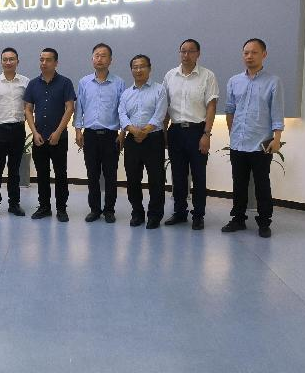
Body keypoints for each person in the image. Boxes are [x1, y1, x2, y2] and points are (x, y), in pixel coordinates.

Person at [222, 38, 285, 238]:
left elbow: (277, 112)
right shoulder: (234, 81)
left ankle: (264, 222)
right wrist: (232, 133)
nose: (249, 56)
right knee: (239, 183)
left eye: (254, 52)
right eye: (246, 52)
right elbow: (230, 110)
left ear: (264, 55)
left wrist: (277, 138)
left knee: (261, 184)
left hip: (260, 144)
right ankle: (238, 219)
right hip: (238, 143)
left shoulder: (273, 81)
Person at [162, 38, 218, 230]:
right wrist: (164, 132)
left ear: (198, 54)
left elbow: (211, 106)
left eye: (190, 51)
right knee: (178, 175)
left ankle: (198, 215)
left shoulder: (207, 76)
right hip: (176, 131)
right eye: (183, 51)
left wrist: (207, 134)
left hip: (197, 131)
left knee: (198, 175)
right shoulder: (170, 76)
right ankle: (179, 212)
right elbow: (165, 107)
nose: (186, 55)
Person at [74, 42, 126, 223]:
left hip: (111, 135)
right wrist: (78, 130)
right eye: (96, 55)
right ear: (92, 59)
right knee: (92, 175)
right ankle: (95, 209)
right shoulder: (84, 82)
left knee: (111, 175)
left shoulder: (119, 83)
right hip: (90, 135)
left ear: (110, 60)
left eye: (103, 56)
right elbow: (79, 108)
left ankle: (109, 210)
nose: (99, 59)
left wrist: (122, 133)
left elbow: (122, 110)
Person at [23, 48, 76, 222]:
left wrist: (58, 132)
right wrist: (34, 132)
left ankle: (61, 208)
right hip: (39, 138)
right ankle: (44, 207)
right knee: (42, 174)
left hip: (59, 138)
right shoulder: (33, 84)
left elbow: (70, 108)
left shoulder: (65, 82)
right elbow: (28, 109)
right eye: (41, 59)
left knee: (61, 174)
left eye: (48, 60)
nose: (44, 63)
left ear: (56, 63)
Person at [118, 54, 168, 228]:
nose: (138, 70)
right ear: (131, 70)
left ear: (149, 68)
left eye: (142, 66)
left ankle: (155, 215)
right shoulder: (126, 93)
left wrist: (145, 131)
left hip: (153, 139)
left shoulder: (159, 90)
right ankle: (137, 213)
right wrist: (133, 130)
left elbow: (160, 114)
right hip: (132, 140)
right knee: (133, 178)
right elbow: (122, 114)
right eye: (135, 67)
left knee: (156, 179)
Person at [0, 47, 29, 218]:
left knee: (14, 170)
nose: (8, 62)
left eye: (12, 59)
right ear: (1, 62)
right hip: (0, 130)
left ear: (17, 61)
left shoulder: (25, 82)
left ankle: (14, 204)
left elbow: (29, 107)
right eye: (5, 59)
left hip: (18, 130)